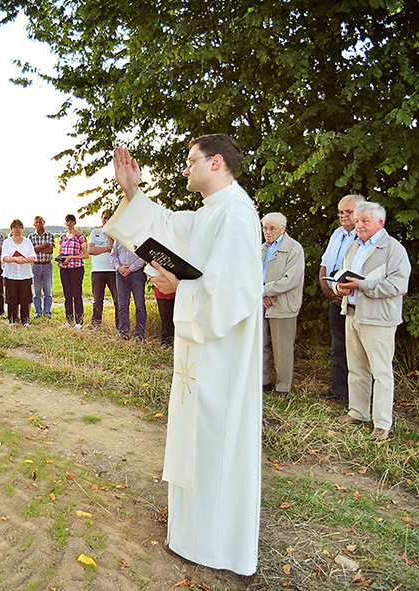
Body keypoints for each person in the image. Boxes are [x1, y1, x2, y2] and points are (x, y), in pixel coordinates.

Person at [108, 135, 263, 576]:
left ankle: (215, 545)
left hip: (221, 357)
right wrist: (132, 193)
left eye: (191, 162)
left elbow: (236, 290)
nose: (185, 169)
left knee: (215, 440)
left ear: (216, 163)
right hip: (201, 355)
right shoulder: (212, 211)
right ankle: (190, 533)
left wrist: (183, 287)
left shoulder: (236, 212)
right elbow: (171, 229)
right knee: (197, 440)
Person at [333, 202, 411, 442]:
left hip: (379, 319)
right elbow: (341, 274)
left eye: (364, 221)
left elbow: (399, 285)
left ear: (380, 223)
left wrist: (362, 285)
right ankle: (357, 412)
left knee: (381, 372)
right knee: (356, 369)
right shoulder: (354, 246)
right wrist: (340, 287)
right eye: (357, 221)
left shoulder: (392, 249)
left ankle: (382, 424)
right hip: (353, 313)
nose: (359, 225)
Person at [318, 195, 364, 401]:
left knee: (358, 349)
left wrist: (342, 292)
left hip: (355, 299)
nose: (344, 216)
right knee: (338, 346)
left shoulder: (364, 236)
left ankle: (359, 395)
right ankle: (339, 391)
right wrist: (328, 291)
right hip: (335, 299)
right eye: (340, 212)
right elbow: (325, 264)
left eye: (349, 212)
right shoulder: (337, 234)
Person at [261, 212, 305, 396]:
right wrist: (261, 294)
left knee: (282, 348)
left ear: (283, 229)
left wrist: (265, 290)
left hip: (283, 305)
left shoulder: (294, 249)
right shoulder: (261, 248)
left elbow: (291, 279)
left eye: (272, 228)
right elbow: (251, 275)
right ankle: (264, 382)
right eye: (265, 228)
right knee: (260, 344)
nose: (268, 232)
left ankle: (282, 387)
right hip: (261, 303)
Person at [88, 210, 120, 328]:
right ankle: (96, 324)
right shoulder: (95, 232)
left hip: (113, 270)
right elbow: (90, 250)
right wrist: (106, 248)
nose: (106, 220)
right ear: (101, 218)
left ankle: (119, 324)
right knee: (97, 299)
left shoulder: (116, 233)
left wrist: (107, 233)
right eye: (104, 218)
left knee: (117, 299)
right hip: (97, 271)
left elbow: (113, 248)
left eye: (109, 218)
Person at [110, 239, 147, 340]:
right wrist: (119, 267)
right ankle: (124, 333)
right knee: (122, 305)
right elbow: (113, 256)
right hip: (120, 274)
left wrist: (131, 268)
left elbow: (144, 257)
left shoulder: (139, 238)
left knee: (139, 305)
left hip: (137, 274)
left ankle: (139, 334)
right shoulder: (118, 239)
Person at [2, 219, 36, 326]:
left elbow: (33, 257)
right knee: (12, 298)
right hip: (10, 274)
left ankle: (25, 320)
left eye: (19, 227)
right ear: (11, 229)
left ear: (22, 229)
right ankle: (13, 320)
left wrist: (25, 260)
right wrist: (15, 259)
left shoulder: (27, 242)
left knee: (25, 298)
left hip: (25, 274)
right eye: (14, 227)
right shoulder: (7, 242)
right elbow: (4, 257)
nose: (17, 230)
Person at [57, 214, 88, 328]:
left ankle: (79, 321)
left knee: (77, 295)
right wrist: (61, 260)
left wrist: (70, 258)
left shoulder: (80, 236)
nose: (69, 223)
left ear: (74, 223)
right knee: (67, 296)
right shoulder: (62, 237)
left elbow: (86, 255)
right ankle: (69, 320)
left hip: (76, 269)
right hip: (64, 269)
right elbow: (59, 253)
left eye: (71, 221)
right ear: (65, 223)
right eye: (67, 221)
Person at [28, 216, 56, 318]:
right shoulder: (31, 237)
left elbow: (50, 250)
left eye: (40, 222)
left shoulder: (50, 235)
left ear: (44, 222)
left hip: (47, 265)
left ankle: (47, 312)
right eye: (36, 222)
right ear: (34, 224)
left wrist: (37, 249)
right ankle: (38, 312)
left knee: (48, 290)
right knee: (36, 291)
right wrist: (44, 245)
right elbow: (30, 251)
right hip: (36, 265)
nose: (39, 224)